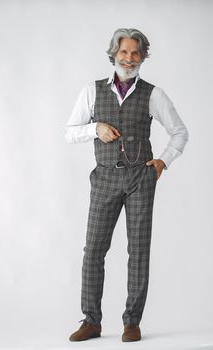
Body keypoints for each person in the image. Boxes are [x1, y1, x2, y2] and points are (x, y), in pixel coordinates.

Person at [65, 28, 188, 342]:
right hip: (104, 178)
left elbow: (179, 132)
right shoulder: (92, 91)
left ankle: (132, 322)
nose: (129, 59)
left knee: (138, 252)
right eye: (124, 52)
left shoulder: (153, 93)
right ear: (114, 54)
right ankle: (91, 321)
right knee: (93, 251)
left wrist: (163, 161)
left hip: (140, 180)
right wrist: (96, 128)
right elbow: (70, 131)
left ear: (142, 56)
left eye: (136, 53)